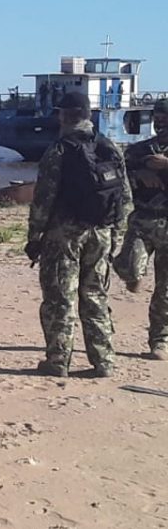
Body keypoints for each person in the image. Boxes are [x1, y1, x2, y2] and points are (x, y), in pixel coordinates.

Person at [26, 93, 131, 377]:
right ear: (87, 114)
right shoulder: (109, 146)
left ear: (62, 115)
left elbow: (43, 199)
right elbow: (124, 197)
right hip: (102, 232)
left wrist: (34, 237)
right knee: (96, 295)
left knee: (61, 297)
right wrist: (116, 237)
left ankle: (58, 361)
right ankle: (104, 361)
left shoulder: (59, 149)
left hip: (65, 235)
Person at [113, 99, 168, 360]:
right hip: (143, 220)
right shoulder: (139, 150)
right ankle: (130, 274)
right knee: (129, 267)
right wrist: (140, 174)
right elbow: (118, 175)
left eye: (165, 117)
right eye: (157, 117)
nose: (160, 121)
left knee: (165, 289)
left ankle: (159, 340)